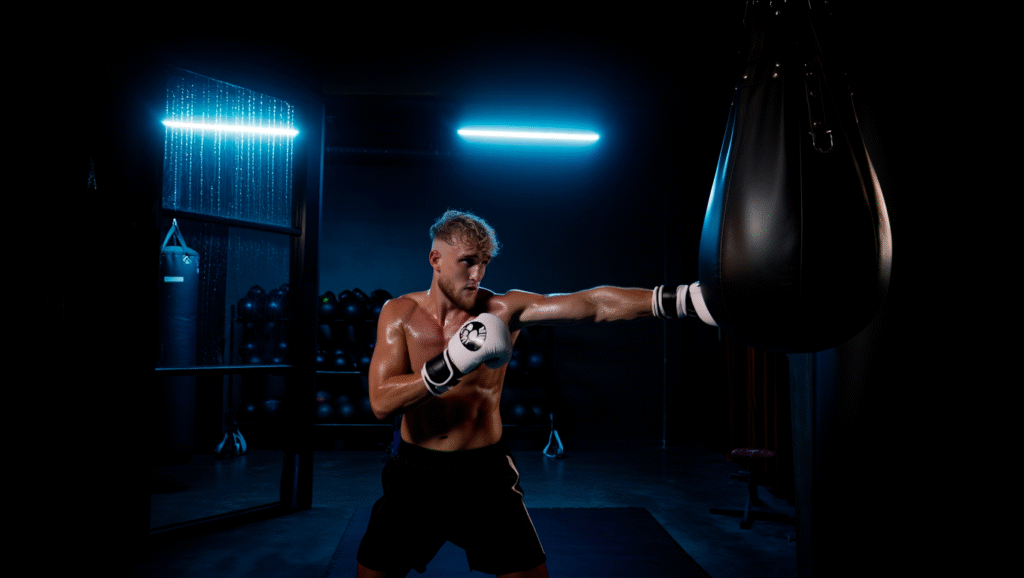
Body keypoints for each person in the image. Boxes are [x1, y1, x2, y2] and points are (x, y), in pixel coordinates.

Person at [356, 210, 716, 578]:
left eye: (484, 263)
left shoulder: (502, 309)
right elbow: (381, 403)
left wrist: (682, 299)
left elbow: (592, 304)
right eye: (467, 262)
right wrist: (450, 364)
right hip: (414, 475)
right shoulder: (399, 313)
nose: (478, 274)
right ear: (436, 259)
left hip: (484, 476)